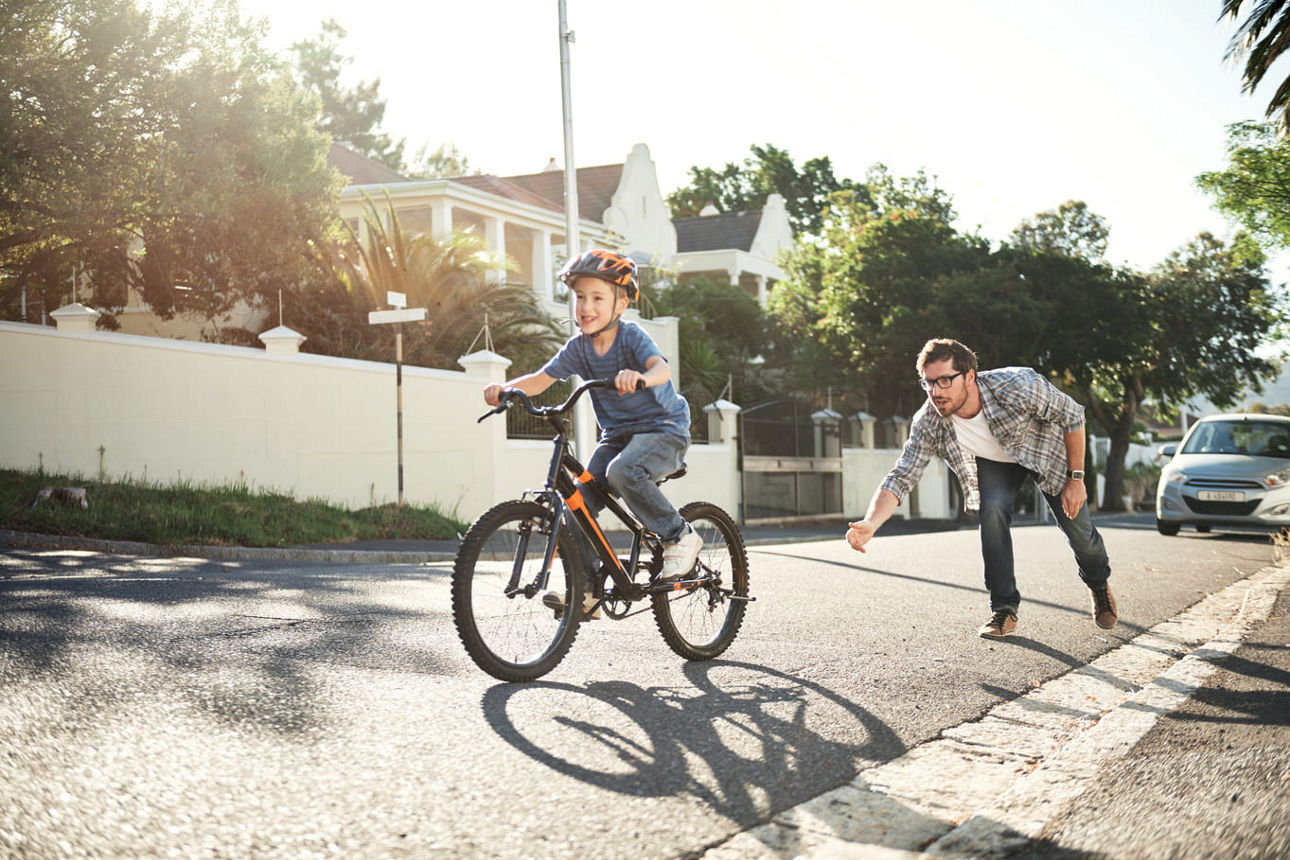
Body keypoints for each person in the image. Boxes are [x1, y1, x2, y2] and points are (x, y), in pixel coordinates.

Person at [845, 338, 1117, 638]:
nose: (936, 391)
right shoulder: (929, 420)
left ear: (970, 376)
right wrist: (871, 522)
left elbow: (1073, 414)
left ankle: (1098, 584)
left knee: (1081, 536)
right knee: (992, 510)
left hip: (1047, 455)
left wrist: (1075, 478)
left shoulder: (1017, 385)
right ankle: (1004, 609)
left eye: (945, 380)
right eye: (928, 383)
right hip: (996, 461)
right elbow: (901, 475)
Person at [482, 248, 702, 618]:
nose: (586, 306)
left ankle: (680, 535)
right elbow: (540, 379)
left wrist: (641, 377)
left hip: (664, 429)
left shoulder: (631, 338)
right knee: (576, 505)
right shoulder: (579, 348)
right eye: (580, 296)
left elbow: (661, 368)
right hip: (617, 436)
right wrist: (505, 389)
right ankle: (589, 591)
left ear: (622, 302)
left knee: (621, 471)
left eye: (597, 297)